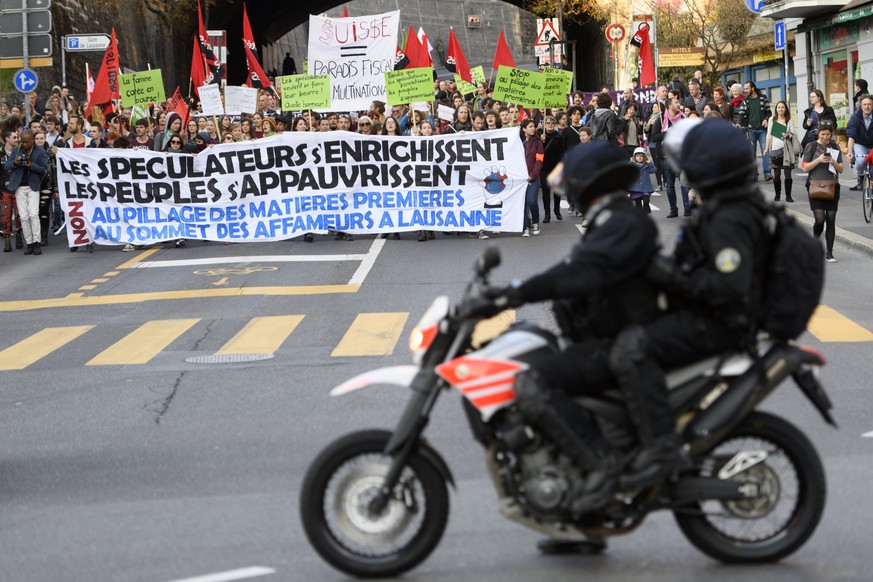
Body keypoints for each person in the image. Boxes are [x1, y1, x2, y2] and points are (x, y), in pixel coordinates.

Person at [481, 141, 660, 523]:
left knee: (532, 384)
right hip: (602, 336)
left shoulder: (622, 221)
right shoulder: (608, 218)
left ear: (591, 184)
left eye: (575, 183)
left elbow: (577, 273)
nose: (571, 191)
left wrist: (515, 292)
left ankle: (601, 466)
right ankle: (581, 520)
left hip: (617, 341)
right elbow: (574, 268)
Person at [614, 118, 770, 491]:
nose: (685, 169)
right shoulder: (720, 208)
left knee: (628, 350)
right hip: (712, 315)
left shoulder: (729, 218)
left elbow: (725, 286)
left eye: (692, 162)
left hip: (720, 322)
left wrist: (662, 274)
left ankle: (662, 446)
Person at [801, 121, 842, 263]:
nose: (825, 137)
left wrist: (833, 162)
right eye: (823, 134)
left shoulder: (835, 147)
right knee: (820, 219)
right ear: (818, 133)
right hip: (815, 185)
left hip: (832, 186)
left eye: (828, 135)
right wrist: (818, 160)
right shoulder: (811, 146)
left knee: (831, 219)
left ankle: (829, 253)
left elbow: (841, 169)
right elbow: (805, 168)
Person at [4, 130, 48, 255]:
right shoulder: (16, 150)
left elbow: (44, 169)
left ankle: (37, 242)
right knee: (23, 216)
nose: (24, 144)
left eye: (26, 142)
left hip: (33, 186)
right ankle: (29, 243)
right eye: (22, 141)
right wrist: (14, 163)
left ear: (32, 140)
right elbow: (6, 166)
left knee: (34, 214)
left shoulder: (40, 151)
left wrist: (31, 165)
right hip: (19, 187)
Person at [765, 100, 799, 202]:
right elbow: (769, 135)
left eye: (782, 107)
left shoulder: (789, 120)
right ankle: (777, 195)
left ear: (785, 109)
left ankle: (788, 195)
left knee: (788, 173)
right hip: (775, 148)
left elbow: (793, 133)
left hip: (787, 149)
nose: (780, 109)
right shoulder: (772, 119)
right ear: (776, 109)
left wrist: (788, 134)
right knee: (776, 174)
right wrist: (767, 148)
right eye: (779, 107)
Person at [845, 93, 873, 191]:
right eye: (864, 104)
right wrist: (849, 152)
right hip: (860, 143)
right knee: (861, 161)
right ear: (860, 106)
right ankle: (860, 178)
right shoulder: (855, 117)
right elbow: (851, 136)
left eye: (869, 104)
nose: (867, 107)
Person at [520, 119, 543, 237]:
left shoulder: (538, 143)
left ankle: (535, 221)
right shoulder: (518, 142)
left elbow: (539, 160)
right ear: (524, 129)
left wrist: (533, 175)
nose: (533, 128)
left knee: (532, 201)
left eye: (533, 126)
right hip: (520, 179)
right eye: (530, 126)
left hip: (533, 178)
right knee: (523, 204)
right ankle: (525, 227)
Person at [540, 116, 565, 223]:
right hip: (544, 168)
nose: (550, 125)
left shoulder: (559, 137)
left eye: (552, 123)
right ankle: (547, 213)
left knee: (557, 191)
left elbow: (562, 152)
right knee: (546, 191)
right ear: (544, 125)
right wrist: (542, 141)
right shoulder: (540, 136)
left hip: (556, 167)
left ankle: (557, 209)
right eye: (547, 123)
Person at [628, 147, 656, 213]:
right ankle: (641, 217)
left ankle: (646, 211)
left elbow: (654, 170)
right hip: (636, 188)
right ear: (634, 157)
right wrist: (630, 162)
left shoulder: (646, 165)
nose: (639, 157)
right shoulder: (632, 165)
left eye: (641, 156)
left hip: (646, 187)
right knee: (638, 204)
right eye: (637, 156)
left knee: (646, 201)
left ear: (644, 157)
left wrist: (650, 163)